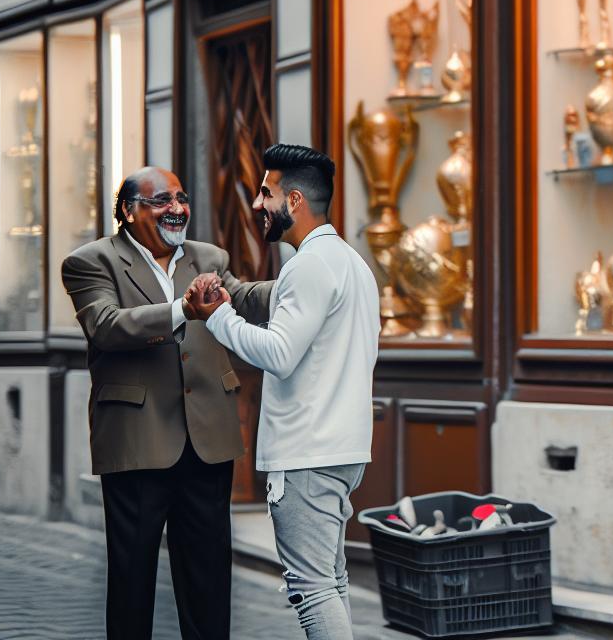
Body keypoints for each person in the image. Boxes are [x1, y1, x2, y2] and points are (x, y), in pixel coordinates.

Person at [61, 167, 275, 640]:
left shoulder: (208, 257)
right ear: (128, 210)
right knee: (132, 577)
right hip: (138, 441)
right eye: (161, 201)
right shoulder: (90, 261)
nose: (176, 209)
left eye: (181, 198)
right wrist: (183, 309)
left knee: (209, 579)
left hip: (208, 439)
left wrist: (304, 277)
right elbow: (108, 326)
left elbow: (243, 298)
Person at [186, 143, 379, 640]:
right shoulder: (353, 264)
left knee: (312, 587)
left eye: (266, 192)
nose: (256, 203)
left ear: (293, 201)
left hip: (308, 453)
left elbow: (278, 353)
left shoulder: (310, 265)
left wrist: (218, 318)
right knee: (330, 582)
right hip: (340, 447)